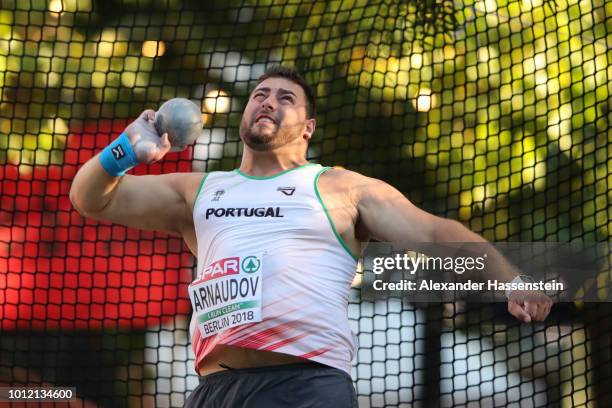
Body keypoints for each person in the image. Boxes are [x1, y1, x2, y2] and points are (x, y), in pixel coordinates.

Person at [70, 65, 552, 407]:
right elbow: (91, 199)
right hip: (216, 391)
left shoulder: (340, 187)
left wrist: (509, 277)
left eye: (286, 98)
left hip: (306, 388)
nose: (268, 102)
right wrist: (122, 154)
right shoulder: (199, 190)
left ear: (308, 128)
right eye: (261, 94)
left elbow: (432, 231)